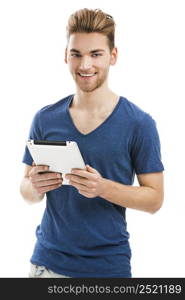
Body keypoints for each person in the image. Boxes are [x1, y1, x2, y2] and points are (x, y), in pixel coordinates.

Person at [20, 8, 164, 278]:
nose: (85, 65)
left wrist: (103, 188)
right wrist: (35, 186)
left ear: (113, 56)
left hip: (107, 269)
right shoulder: (45, 118)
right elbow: (26, 190)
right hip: (46, 266)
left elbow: (155, 199)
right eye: (76, 54)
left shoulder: (139, 124)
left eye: (95, 54)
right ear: (66, 56)